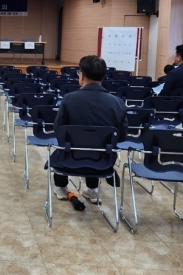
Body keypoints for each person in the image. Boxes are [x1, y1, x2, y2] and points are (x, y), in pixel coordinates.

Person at [51, 55, 128, 203]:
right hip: (103, 161)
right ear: (103, 76)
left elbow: (58, 130)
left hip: (70, 159)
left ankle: (61, 187)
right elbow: (122, 136)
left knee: (63, 147)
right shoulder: (118, 103)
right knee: (96, 147)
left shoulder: (69, 99)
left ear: (82, 75)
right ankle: (93, 190)